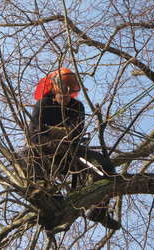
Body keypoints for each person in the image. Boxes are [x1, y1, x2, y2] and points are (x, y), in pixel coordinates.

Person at [24, 68, 121, 230]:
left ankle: (99, 210)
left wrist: (51, 131)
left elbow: (74, 133)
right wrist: (54, 138)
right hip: (46, 153)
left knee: (107, 166)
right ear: (54, 88)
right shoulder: (44, 104)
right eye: (63, 91)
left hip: (72, 152)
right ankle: (52, 199)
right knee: (25, 156)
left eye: (70, 91)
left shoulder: (78, 107)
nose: (67, 96)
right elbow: (34, 134)